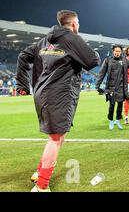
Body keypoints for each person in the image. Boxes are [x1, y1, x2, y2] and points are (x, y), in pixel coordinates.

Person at [15, 10, 100, 192]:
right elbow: (93, 60)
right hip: (58, 94)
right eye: (78, 23)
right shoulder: (71, 38)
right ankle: (41, 186)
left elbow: (23, 56)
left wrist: (22, 84)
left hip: (44, 93)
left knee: (58, 136)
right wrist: (80, 44)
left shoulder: (45, 40)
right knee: (55, 138)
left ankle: (40, 172)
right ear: (74, 24)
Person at [96, 45, 129, 130]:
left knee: (119, 105)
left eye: (119, 51)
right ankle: (111, 120)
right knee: (112, 105)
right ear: (113, 51)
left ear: (121, 52)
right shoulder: (108, 60)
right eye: (116, 51)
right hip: (111, 87)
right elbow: (102, 73)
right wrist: (97, 85)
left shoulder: (124, 61)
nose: (117, 53)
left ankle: (118, 121)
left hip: (122, 87)